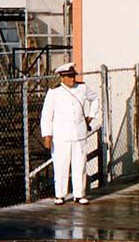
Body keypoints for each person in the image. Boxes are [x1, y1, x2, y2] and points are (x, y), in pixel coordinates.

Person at [40, 61, 100, 205]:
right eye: (69, 76)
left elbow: (95, 99)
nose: (72, 79)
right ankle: (60, 195)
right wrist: (47, 135)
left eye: (73, 75)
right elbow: (47, 115)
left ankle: (79, 194)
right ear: (62, 77)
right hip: (61, 136)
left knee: (80, 165)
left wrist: (90, 116)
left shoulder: (82, 88)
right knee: (61, 165)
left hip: (79, 134)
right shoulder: (54, 92)